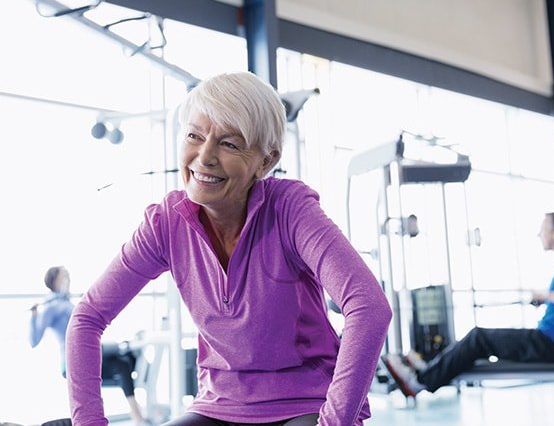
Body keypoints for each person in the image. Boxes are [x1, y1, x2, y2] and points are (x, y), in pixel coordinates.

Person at [65, 71, 392, 426]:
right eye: (194, 135)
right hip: (217, 405)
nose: (204, 157)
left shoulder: (290, 209)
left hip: (305, 402)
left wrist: (333, 421)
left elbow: (369, 306)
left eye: (230, 144)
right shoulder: (165, 223)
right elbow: (87, 318)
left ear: (265, 161)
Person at [382, 211, 554, 397]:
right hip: (550, 340)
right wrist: (546, 298)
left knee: (479, 338)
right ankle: (427, 367)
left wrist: (547, 294)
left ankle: (420, 382)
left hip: (552, 343)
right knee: (477, 340)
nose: (539, 234)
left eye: (543, 229)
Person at [30, 266, 149, 425]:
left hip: (87, 354)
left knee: (126, 361)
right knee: (122, 361)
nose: (69, 279)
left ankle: (137, 414)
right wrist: (34, 317)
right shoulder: (51, 308)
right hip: (73, 361)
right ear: (55, 281)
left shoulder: (66, 302)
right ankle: (137, 416)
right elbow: (34, 341)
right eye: (65, 276)